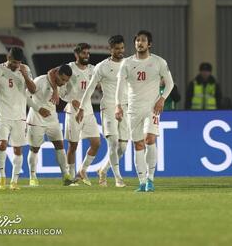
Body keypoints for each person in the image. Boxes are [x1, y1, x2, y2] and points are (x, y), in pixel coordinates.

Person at [115, 30, 174, 192]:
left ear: (149, 44)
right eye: (137, 41)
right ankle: (142, 182)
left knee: (149, 139)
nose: (139, 43)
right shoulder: (126, 63)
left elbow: (170, 83)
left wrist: (162, 99)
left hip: (152, 107)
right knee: (138, 145)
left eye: (143, 40)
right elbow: (120, 86)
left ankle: (150, 179)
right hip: (133, 109)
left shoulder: (158, 62)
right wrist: (118, 105)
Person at [0, 47, 36, 190]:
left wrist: (25, 75)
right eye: (14, 62)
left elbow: (33, 90)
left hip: (20, 116)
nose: (16, 65)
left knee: (17, 150)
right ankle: (1, 177)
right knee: (2, 145)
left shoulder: (25, 69)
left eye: (19, 62)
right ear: (8, 58)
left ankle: (14, 182)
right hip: (3, 114)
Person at [76, 35, 128, 187]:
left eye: (122, 48)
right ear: (110, 49)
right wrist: (81, 108)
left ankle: (103, 170)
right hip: (109, 107)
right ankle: (118, 179)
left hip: (126, 107)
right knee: (113, 143)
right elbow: (90, 88)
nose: (120, 51)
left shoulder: (130, 64)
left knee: (123, 147)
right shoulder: (102, 67)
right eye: (117, 48)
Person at [49, 43, 101, 185]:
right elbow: (52, 74)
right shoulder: (69, 67)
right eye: (84, 53)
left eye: (88, 53)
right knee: (73, 146)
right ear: (76, 54)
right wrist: (69, 99)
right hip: (73, 111)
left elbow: (99, 84)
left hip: (88, 110)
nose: (86, 56)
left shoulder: (92, 69)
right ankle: (70, 177)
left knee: (96, 143)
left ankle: (82, 171)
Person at [26, 64, 74, 187]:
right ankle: (32, 177)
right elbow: (25, 96)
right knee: (34, 148)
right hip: (36, 119)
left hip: (52, 119)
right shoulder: (40, 81)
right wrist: (38, 108)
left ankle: (66, 176)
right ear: (57, 74)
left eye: (66, 81)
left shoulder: (61, 86)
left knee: (60, 145)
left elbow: (65, 96)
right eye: (62, 79)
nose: (64, 83)